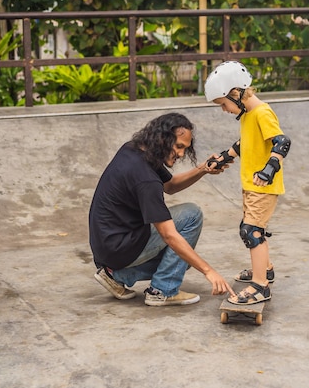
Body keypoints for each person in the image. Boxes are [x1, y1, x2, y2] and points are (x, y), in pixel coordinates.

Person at [89, 112, 235, 306]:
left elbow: (171, 185)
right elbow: (169, 236)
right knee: (191, 216)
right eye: (179, 146)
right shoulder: (145, 179)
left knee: (181, 261)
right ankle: (163, 290)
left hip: (108, 246)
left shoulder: (135, 150)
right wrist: (209, 271)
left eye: (185, 148)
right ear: (162, 139)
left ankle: (115, 275)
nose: (182, 154)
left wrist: (202, 169)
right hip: (120, 245)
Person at [204, 61, 291, 305]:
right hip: (251, 186)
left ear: (236, 93)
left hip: (262, 186)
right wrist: (223, 157)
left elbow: (281, 142)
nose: (224, 110)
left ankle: (261, 286)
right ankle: (266, 269)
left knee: (252, 232)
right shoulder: (248, 114)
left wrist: (269, 169)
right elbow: (244, 143)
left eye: (223, 104)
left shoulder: (262, 112)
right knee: (250, 227)